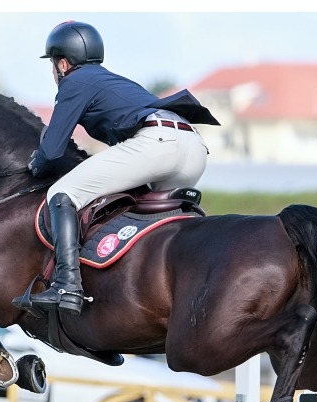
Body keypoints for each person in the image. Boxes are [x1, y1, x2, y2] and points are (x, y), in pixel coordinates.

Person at [27, 20, 220, 317]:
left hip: (157, 143)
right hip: (193, 147)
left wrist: (34, 165)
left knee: (62, 192)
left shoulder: (74, 82)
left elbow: (51, 151)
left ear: (62, 63)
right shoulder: (115, 81)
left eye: (53, 65)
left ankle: (67, 284)